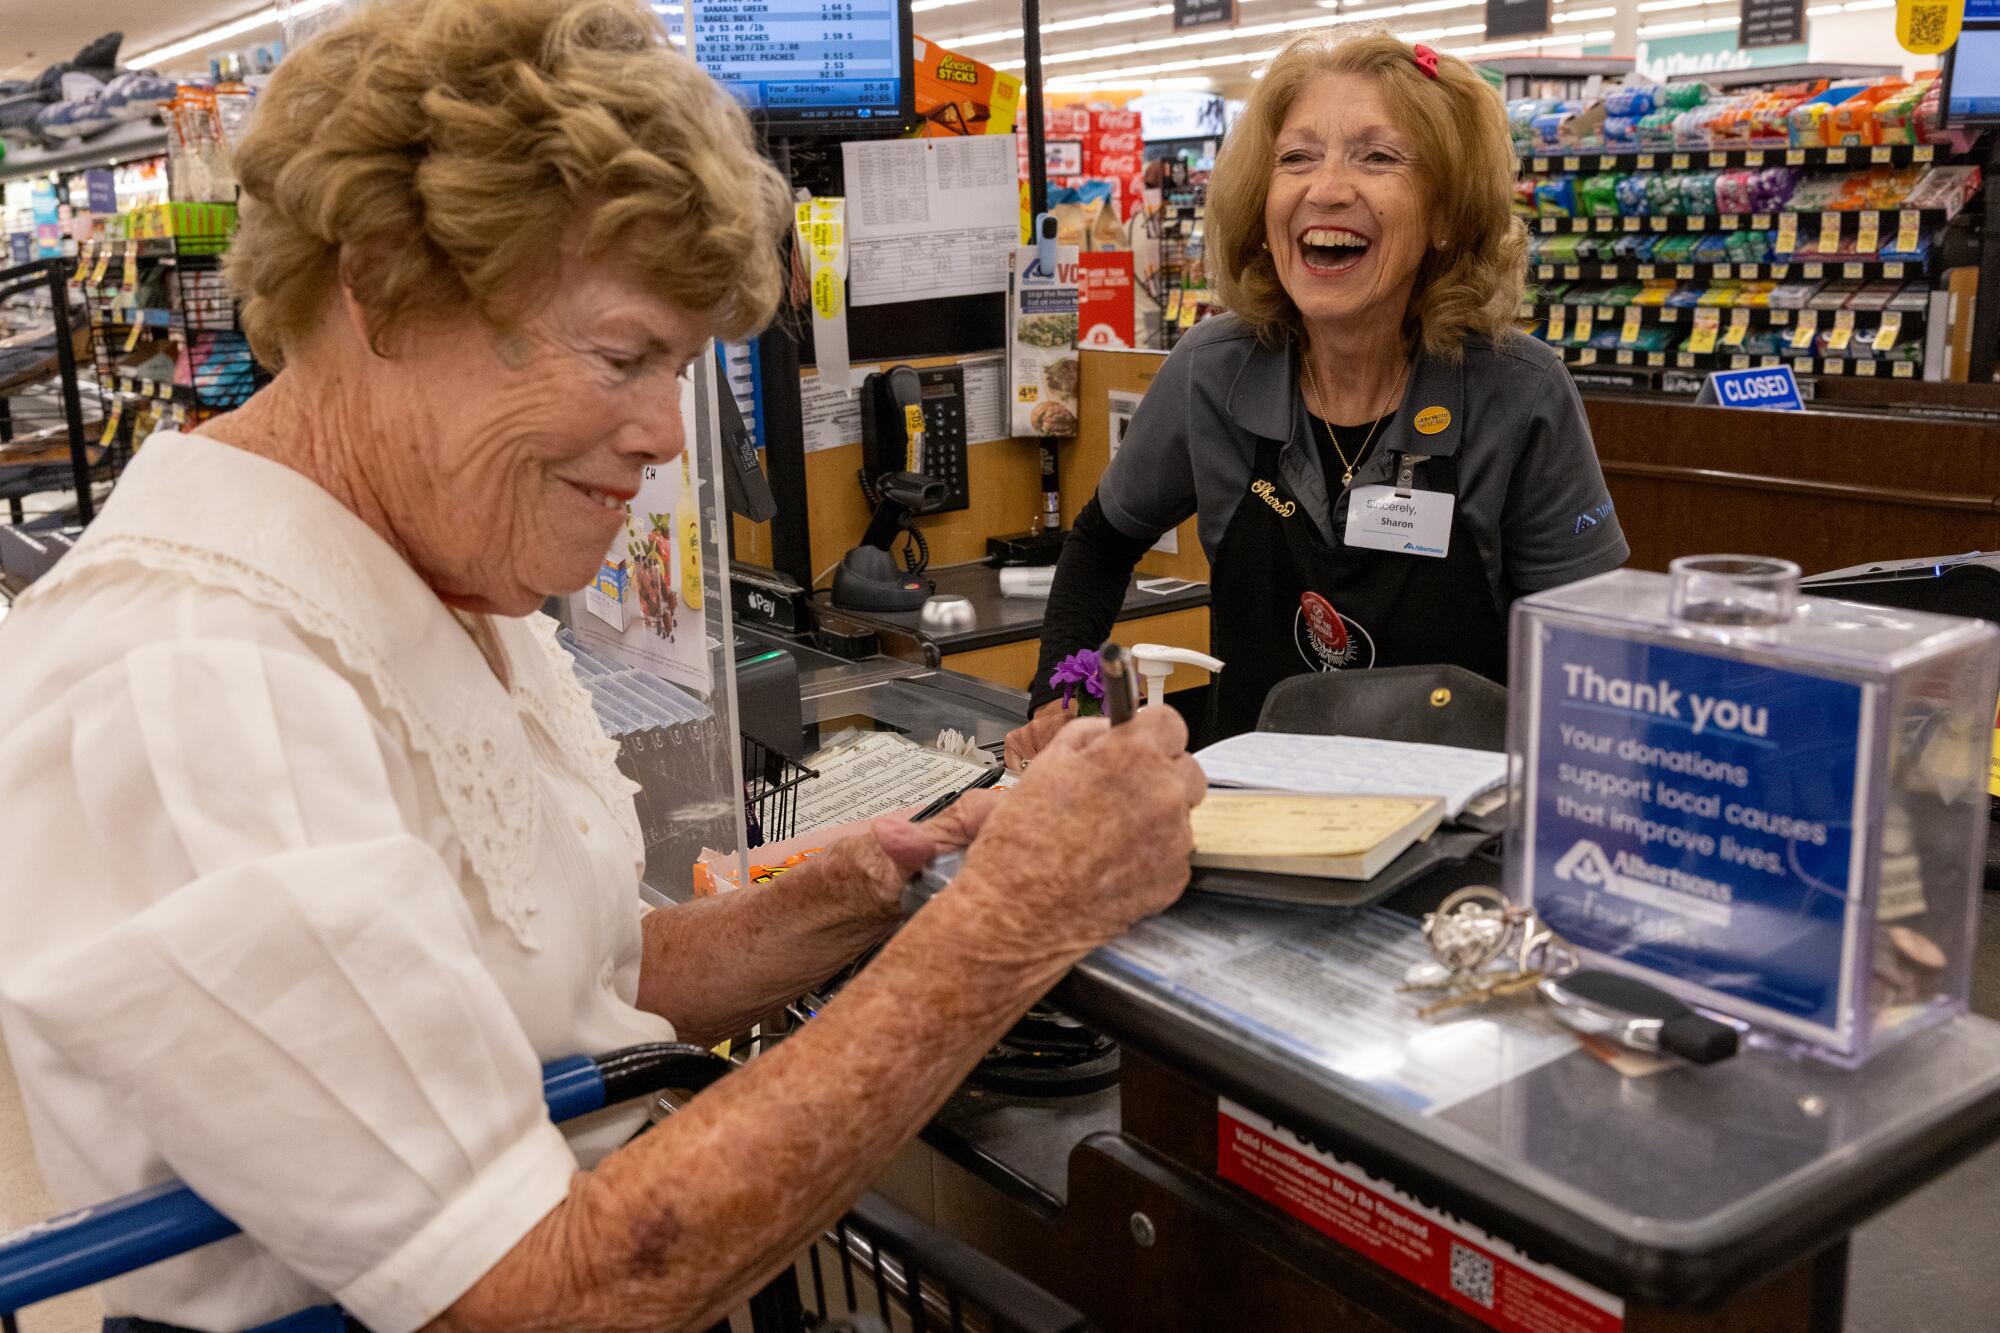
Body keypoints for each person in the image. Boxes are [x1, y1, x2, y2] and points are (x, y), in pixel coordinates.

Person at [0, 3, 1204, 1330]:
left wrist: (886, 882)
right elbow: (531, 1294)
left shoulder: (433, 573)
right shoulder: (201, 683)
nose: (661, 440)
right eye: (625, 356)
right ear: (386, 281)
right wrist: (1013, 922)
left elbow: (573, 981)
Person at [1008, 32, 1629, 770]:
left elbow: (1593, 667)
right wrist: (1056, 696)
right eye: (1296, 157)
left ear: (1444, 217)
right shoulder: (1212, 374)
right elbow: (1102, 542)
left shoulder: (1518, 396)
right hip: (1249, 824)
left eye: (1379, 156)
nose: (1326, 188)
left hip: (1455, 841)